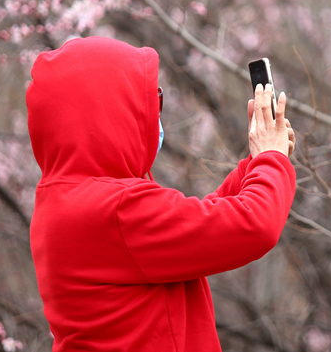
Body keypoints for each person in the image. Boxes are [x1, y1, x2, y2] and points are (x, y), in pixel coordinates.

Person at [27, 36, 296, 351]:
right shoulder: (117, 208)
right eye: (150, 102)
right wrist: (271, 160)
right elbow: (255, 226)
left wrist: (257, 164)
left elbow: (201, 221)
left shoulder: (63, 199)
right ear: (111, 109)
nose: (155, 114)